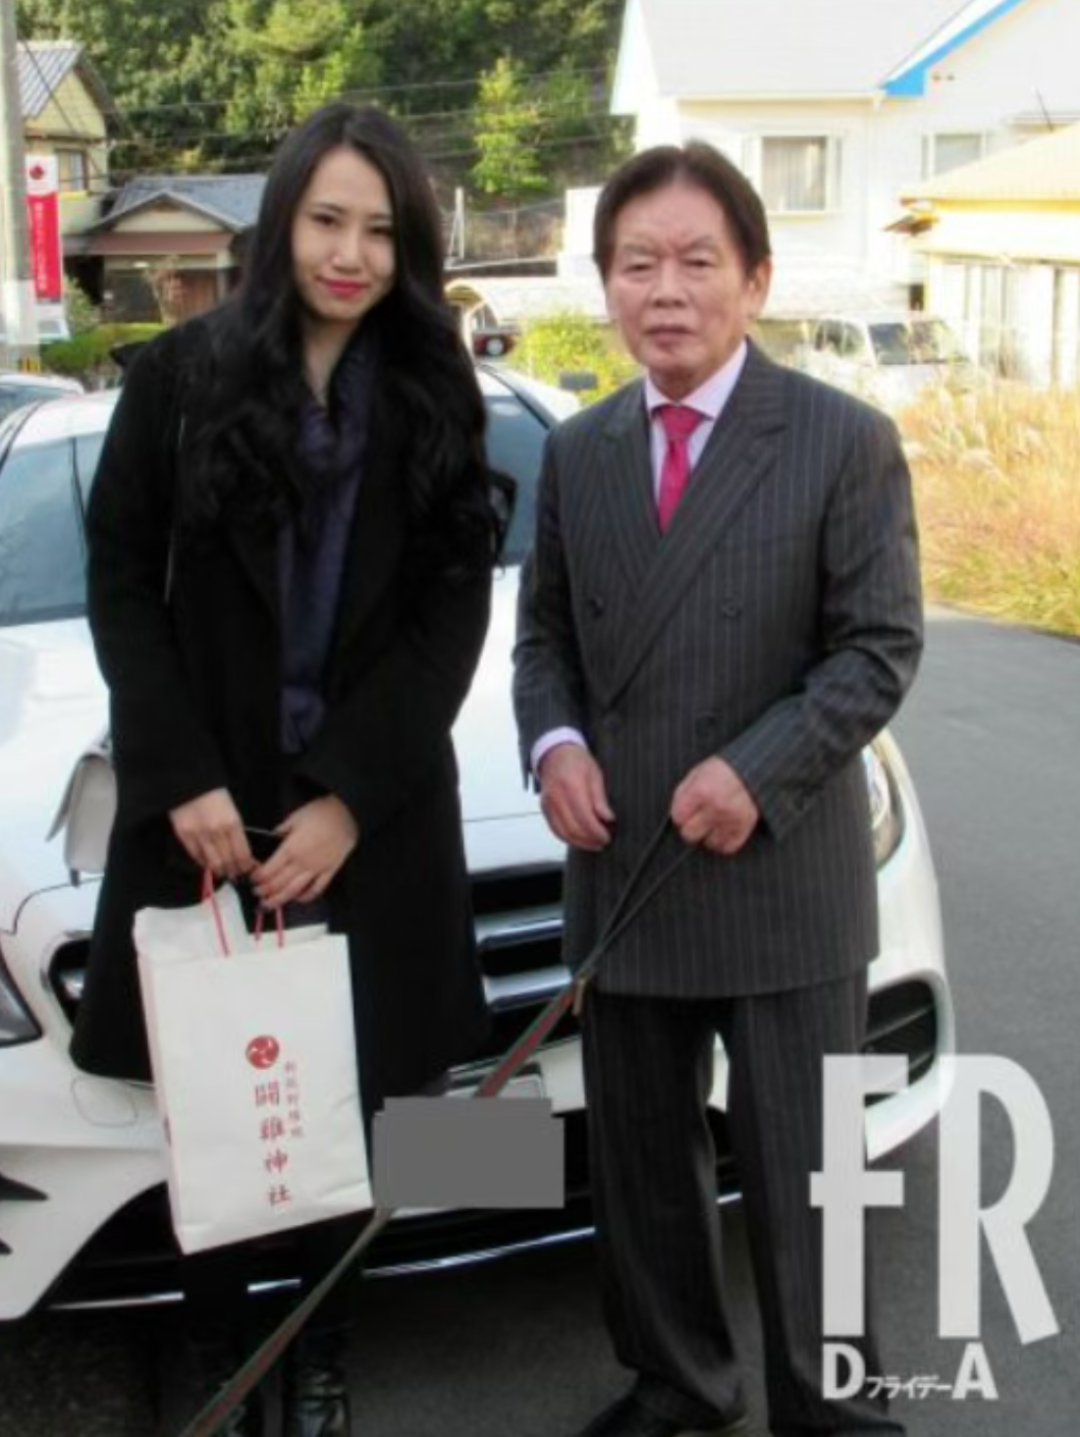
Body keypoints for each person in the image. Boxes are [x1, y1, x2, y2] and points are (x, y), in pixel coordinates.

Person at [70, 102, 505, 1437]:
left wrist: (351, 798)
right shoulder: (182, 379)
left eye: (381, 230)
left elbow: (452, 611)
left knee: (357, 1114)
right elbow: (120, 582)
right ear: (281, 223)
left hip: (368, 827)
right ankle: (218, 1354)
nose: (350, 254)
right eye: (327, 220)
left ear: (410, 247)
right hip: (210, 820)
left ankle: (319, 1357)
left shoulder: (435, 390)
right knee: (217, 1105)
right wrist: (180, 776)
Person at [513, 142, 923, 1437]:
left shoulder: (840, 440)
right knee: (642, 1160)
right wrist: (554, 746)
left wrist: (757, 769)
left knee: (814, 1166)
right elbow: (543, 644)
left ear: (756, 279)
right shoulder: (579, 452)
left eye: (698, 261)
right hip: (626, 861)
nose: (667, 290)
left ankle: (834, 1405)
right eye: (638, 264)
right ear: (606, 286)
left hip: (781, 866)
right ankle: (678, 1383)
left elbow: (878, 649)